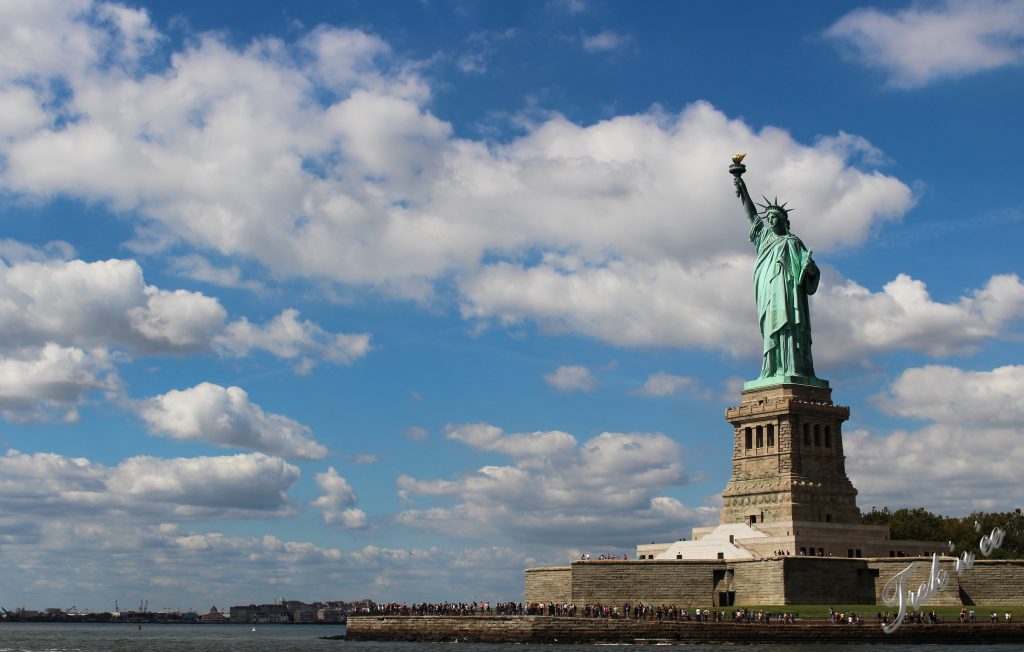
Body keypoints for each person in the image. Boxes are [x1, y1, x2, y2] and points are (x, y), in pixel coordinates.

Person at [733, 172, 819, 381]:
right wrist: (742, 187)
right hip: (768, 290)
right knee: (772, 325)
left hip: (789, 292)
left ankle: (793, 367)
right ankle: (773, 368)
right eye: (768, 217)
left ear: (783, 220)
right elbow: (751, 215)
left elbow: (811, 271)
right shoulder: (763, 236)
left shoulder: (793, 241)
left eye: (774, 217)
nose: (770, 220)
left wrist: (809, 269)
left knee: (790, 325)